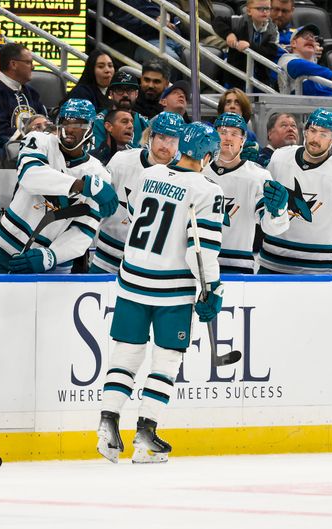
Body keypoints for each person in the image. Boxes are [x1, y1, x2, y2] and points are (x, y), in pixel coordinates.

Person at [95, 122, 224, 464]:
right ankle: (145, 435)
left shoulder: (148, 175)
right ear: (208, 156)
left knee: (125, 356)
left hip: (132, 280)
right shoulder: (207, 190)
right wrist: (212, 290)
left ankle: (108, 424)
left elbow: (138, 217)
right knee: (166, 361)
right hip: (171, 290)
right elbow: (202, 251)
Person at [0, 99, 118, 273]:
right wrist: (82, 186)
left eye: (78, 124)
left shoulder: (100, 174)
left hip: (55, 263)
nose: (69, 129)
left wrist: (51, 256)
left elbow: (84, 229)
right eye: (65, 122)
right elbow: (30, 175)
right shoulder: (38, 140)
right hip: (10, 247)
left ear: (91, 128)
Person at [257, 108, 332, 274]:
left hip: (317, 268)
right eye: (313, 131)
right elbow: (261, 204)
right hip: (272, 262)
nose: (316, 138)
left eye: (323, 134)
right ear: (305, 132)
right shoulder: (279, 157)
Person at [90, 112, 185, 274]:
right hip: (107, 255)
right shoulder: (122, 161)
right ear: (150, 137)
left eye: (172, 140)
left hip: (148, 265)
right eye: (161, 137)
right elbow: (97, 202)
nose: (166, 145)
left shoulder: (183, 176)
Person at [203, 112, 289, 274]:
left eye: (234, 134)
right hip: (197, 264)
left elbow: (272, 229)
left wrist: (277, 211)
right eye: (222, 133)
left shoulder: (257, 176)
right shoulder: (199, 171)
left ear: (243, 140)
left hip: (238, 266)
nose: (228, 138)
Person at [0, 43, 46, 149]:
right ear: (13, 64)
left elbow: (46, 123)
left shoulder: (32, 93)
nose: (33, 66)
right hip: (6, 158)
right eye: (28, 62)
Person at [213, 0, 280, 89]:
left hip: (261, 79)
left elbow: (271, 53)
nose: (264, 12)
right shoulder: (240, 21)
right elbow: (218, 21)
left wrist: (249, 47)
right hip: (236, 76)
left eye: (267, 9)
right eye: (259, 8)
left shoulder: (273, 29)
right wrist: (228, 34)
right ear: (249, 11)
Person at [278, 24, 332, 97]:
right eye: (305, 36)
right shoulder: (286, 59)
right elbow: (299, 66)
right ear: (294, 43)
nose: (310, 39)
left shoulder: (317, 69)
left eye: (313, 38)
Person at [92, 72, 148, 149]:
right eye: (119, 90)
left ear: (136, 94)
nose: (125, 95)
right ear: (111, 94)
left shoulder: (143, 122)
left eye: (130, 90)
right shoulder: (99, 121)